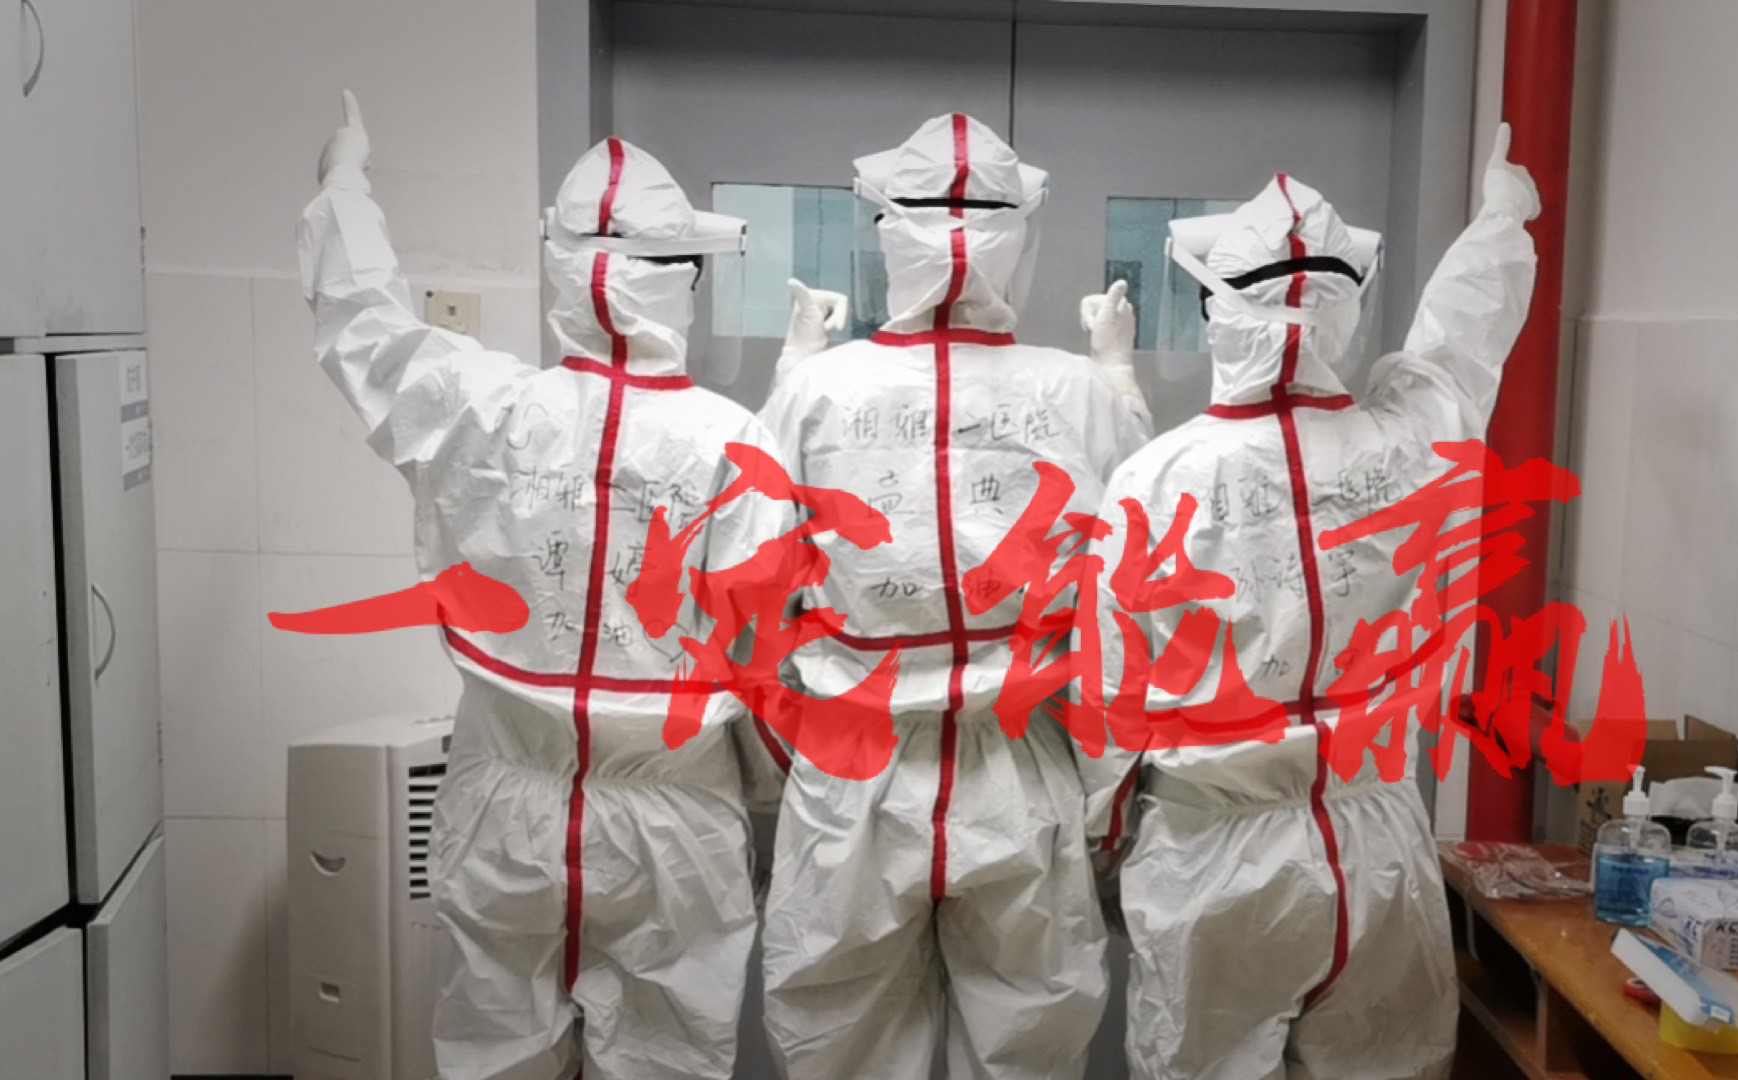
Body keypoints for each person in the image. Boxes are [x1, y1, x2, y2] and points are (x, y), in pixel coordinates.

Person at [299, 93, 785, 1080]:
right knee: (666, 1062)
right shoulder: (735, 445)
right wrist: (767, 811)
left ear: (560, 265)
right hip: (675, 821)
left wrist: (343, 186)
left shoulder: (480, 406)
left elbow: (364, 324)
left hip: (502, 805)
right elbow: (767, 663)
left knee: (496, 1053)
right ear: (683, 281)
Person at [1087, 124, 1541, 1080]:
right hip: (1377, 847)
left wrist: (1100, 849)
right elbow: (1461, 345)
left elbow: (1110, 707)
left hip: (1214, 856)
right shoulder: (1413, 443)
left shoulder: (1154, 481)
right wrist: (1500, 225)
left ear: (1217, 313)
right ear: (1347, 313)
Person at [755, 112, 1152, 1079]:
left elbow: (755, 580)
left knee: (838, 1045)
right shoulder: (1076, 393)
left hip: (853, 771)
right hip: (1022, 769)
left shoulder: (821, 393)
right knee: (1028, 1044)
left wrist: (793, 369)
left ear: (887, 233)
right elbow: (1131, 593)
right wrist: (1118, 378)